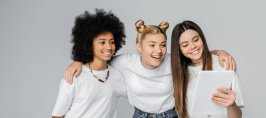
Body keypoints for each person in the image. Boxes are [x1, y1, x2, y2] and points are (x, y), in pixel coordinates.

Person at [64, 20, 236, 118]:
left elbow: (193, 53)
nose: (158, 51)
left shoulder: (172, 61)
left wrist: (221, 52)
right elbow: (101, 59)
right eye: (152, 45)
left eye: (162, 45)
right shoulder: (125, 62)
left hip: (170, 115)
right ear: (139, 47)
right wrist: (79, 61)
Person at [51, 9, 127, 118]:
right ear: (89, 44)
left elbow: (144, 93)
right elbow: (57, 116)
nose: (109, 47)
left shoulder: (118, 75)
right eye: (102, 42)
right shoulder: (73, 77)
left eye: (112, 42)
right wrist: (78, 61)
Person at [171, 20, 244, 118]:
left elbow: (238, 116)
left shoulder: (224, 64)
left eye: (196, 40)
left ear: (202, 39)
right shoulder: (177, 73)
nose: (193, 46)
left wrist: (231, 105)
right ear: (179, 49)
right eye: (185, 45)